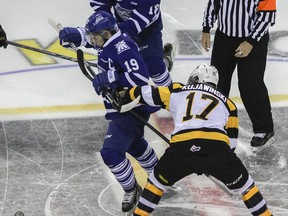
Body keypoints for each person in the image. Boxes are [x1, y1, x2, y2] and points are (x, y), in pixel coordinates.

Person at [117, 64, 273, 216]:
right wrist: (211, 163)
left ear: (196, 79)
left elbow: (147, 93)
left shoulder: (179, 90)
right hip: (216, 150)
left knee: (156, 183)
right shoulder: (228, 103)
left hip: (181, 150)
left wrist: (124, 94)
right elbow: (231, 144)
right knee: (246, 187)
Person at [59, 11, 159, 213]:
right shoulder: (108, 42)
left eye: (94, 36)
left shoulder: (122, 47)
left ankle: (132, 189)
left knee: (111, 153)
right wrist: (75, 35)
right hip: (122, 109)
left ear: (106, 33)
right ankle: (159, 176)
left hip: (131, 110)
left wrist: (111, 77)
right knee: (135, 145)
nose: (92, 40)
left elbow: (140, 77)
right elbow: (89, 41)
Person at [201, 0, 276, 150]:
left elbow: (268, 16)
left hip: (254, 40)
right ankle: (215, 125)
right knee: (217, 83)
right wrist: (206, 28)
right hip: (224, 38)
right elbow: (214, 3)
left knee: (251, 85)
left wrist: (251, 41)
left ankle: (264, 128)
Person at [89, 0, 174, 87]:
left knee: (153, 65)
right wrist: (107, 23)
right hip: (121, 26)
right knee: (124, 66)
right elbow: (98, 2)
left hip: (148, 31)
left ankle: (171, 93)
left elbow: (134, 25)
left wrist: (111, 33)